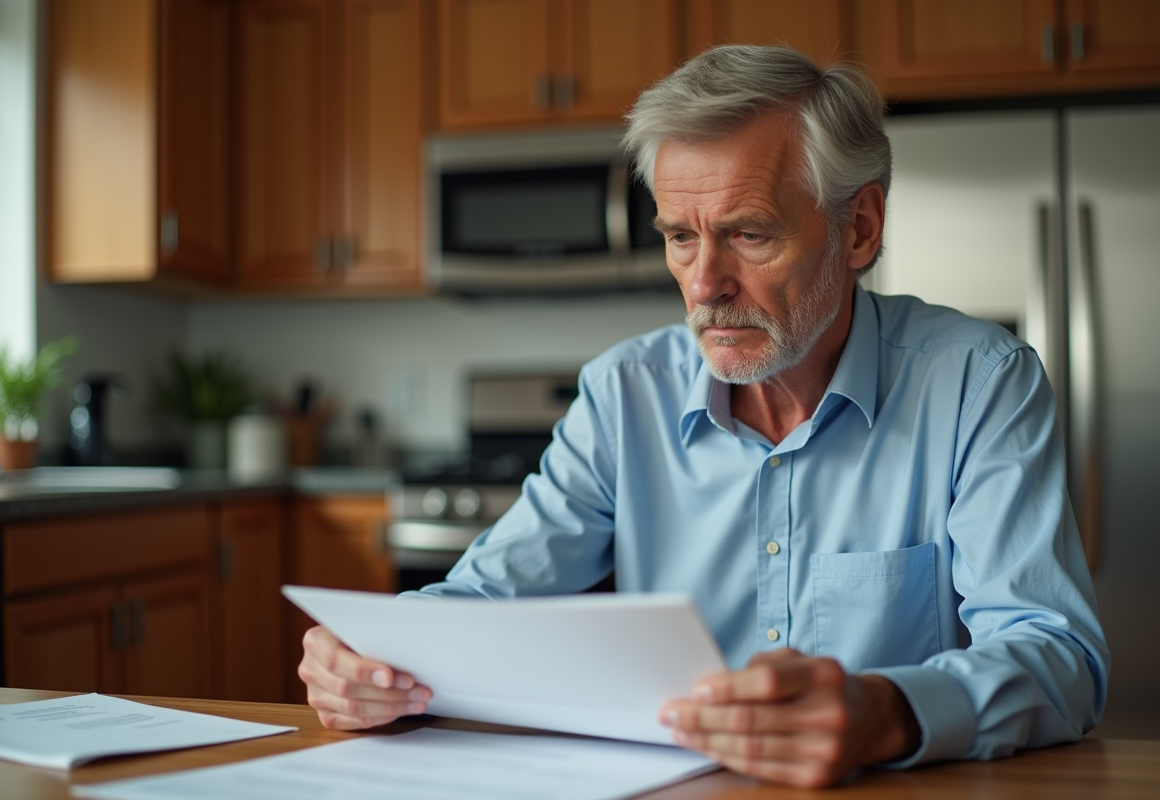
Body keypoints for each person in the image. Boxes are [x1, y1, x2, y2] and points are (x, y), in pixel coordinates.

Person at [299, 45, 1109, 788]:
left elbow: (1059, 657)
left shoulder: (978, 382)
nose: (704, 282)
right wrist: (374, 656)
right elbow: (485, 596)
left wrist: (887, 712)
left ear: (857, 229)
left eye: (748, 234)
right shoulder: (624, 393)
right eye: (680, 238)